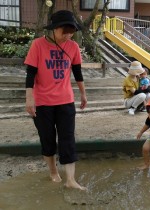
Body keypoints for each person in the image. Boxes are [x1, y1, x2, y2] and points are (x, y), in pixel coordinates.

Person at [25, 10, 87, 190]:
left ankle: (71, 180)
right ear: (54, 29)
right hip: (42, 101)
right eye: (64, 32)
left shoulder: (73, 47)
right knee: (48, 139)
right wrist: (29, 99)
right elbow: (30, 74)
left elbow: (77, 72)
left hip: (65, 100)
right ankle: (53, 172)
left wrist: (83, 94)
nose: (67, 36)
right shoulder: (38, 45)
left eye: (71, 32)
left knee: (68, 138)